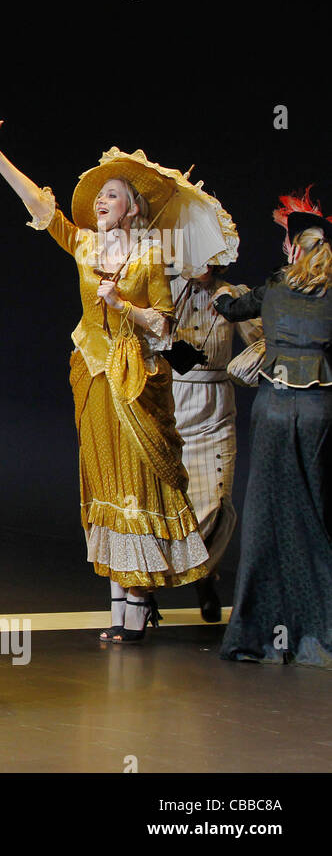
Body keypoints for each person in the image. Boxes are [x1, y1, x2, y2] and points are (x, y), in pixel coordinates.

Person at [0, 113, 210, 642]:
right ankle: (120, 609)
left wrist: (124, 302)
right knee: (105, 480)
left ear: (132, 208)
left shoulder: (152, 256)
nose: (101, 203)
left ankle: (139, 600)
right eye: (98, 197)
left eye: (113, 196)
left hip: (136, 377)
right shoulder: (83, 247)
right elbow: (41, 208)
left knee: (138, 483)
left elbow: (166, 324)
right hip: (92, 371)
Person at [213, 189, 332, 667]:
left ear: (292, 246)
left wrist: (220, 289)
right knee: (315, 513)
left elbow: (232, 309)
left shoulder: (276, 287)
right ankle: (317, 638)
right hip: (321, 410)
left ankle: (256, 638)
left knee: (266, 516)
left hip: (276, 407)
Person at [170, 265, 262, 622]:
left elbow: (264, 337)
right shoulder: (165, 290)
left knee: (215, 501)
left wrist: (247, 365)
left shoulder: (233, 293)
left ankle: (204, 574)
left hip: (215, 407)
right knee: (165, 502)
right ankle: (141, 592)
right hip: (172, 403)